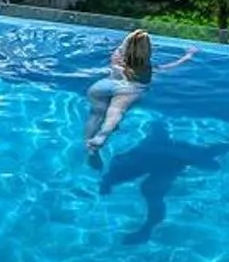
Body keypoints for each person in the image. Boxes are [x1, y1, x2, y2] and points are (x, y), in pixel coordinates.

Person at [83, 28, 194, 163]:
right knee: (116, 112)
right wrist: (187, 57)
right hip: (129, 89)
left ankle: (89, 148)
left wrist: (130, 41)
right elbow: (168, 67)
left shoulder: (117, 57)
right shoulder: (147, 67)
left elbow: (124, 49)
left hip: (103, 86)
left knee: (96, 115)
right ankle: (102, 136)